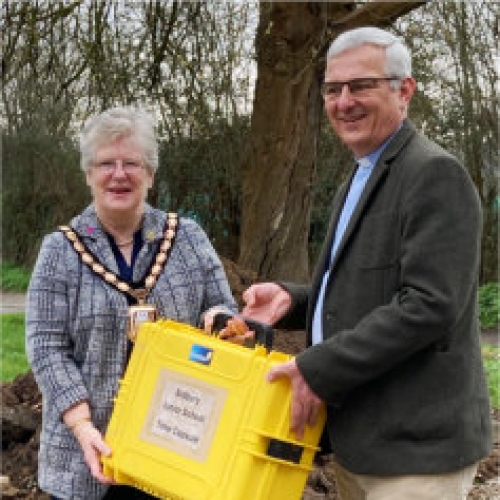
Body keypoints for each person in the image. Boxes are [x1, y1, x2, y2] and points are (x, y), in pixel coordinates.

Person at [242, 27, 492, 500]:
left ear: (405, 90)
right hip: (362, 445)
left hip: (416, 454)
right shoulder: (360, 175)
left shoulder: (434, 174)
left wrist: (317, 366)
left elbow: (428, 306)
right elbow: (363, 291)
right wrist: (293, 301)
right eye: (333, 90)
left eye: (361, 86)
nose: (344, 102)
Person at [26, 106, 238, 500]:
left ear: (150, 174)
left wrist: (221, 321)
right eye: (106, 163)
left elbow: (222, 310)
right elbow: (47, 347)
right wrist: (82, 425)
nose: (119, 174)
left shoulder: (187, 237)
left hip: (174, 450)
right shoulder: (60, 250)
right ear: (89, 174)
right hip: (85, 457)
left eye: (132, 163)